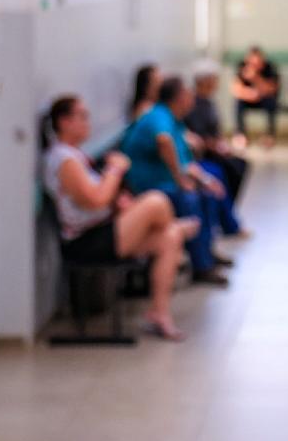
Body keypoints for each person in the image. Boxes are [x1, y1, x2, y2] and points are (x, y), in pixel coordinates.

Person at [40, 94, 196, 340]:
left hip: (104, 228)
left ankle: (159, 313)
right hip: (87, 241)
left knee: (170, 237)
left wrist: (117, 202)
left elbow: (98, 199)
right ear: (64, 122)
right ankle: (178, 226)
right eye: (82, 117)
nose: (88, 123)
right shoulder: (63, 159)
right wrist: (115, 169)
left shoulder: (75, 155)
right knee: (156, 201)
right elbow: (95, 199)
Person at [122, 76, 232, 286]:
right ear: (178, 98)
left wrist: (206, 180)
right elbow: (164, 141)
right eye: (188, 94)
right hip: (148, 186)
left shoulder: (176, 121)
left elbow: (186, 161)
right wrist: (180, 179)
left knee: (208, 193)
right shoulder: (159, 115)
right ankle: (201, 266)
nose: (192, 98)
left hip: (166, 183)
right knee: (190, 199)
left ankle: (206, 253)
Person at [185, 59, 251, 228]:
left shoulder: (208, 102)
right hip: (203, 153)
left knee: (241, 165)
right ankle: (227, 219)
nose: (217, 83)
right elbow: (199, 136)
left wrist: (224, 144)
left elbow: (216, 131)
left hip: (214, 149)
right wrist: (218, 147)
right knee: (230, 170)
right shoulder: (194, 104)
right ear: (204, 81)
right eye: (214, 79)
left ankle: (228, 212)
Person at [231, 46, 280, 148]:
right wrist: (250, 94)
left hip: (264, 99)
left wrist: (255, 78)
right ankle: (240, 135)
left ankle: (269, 136)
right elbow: (236, 89)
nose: (255, 63)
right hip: (248, 99)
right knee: (238, 103)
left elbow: (271, 89)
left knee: (272, 103)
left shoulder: (269, 68)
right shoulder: (242, 66)